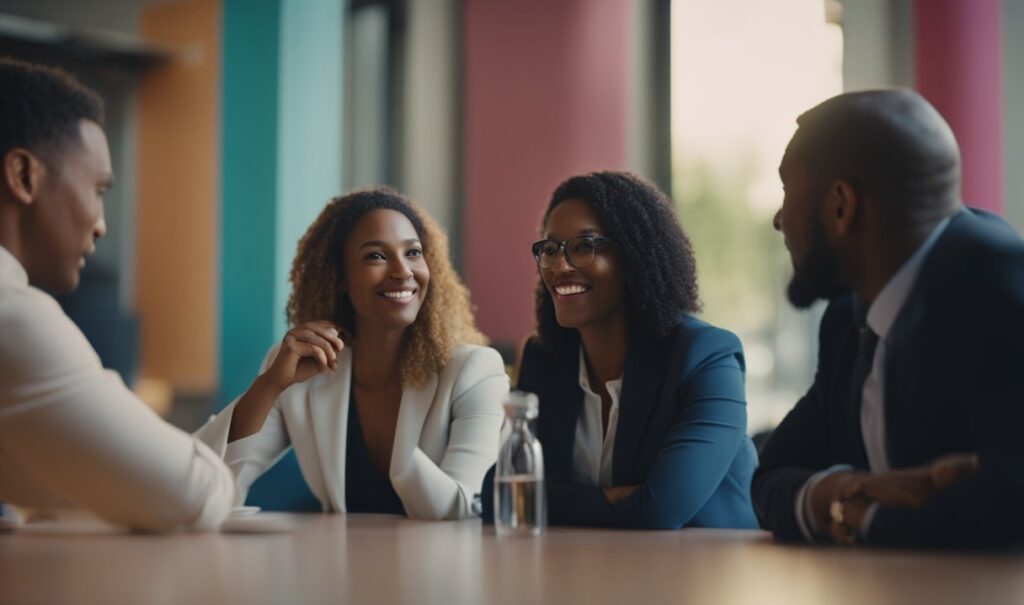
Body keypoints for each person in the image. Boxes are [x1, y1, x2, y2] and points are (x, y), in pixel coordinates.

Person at [753, 89, 1024, 548]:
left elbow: (1011, 503)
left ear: (842, 205)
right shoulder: (848, 318)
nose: (780, 219)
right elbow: (769, 478)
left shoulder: (1000, 291)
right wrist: (839, 495)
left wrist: (866, 518)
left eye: (786, 190)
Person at [0, 58, 234, 530]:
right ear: (24, 176)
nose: (102, 223)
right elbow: (192, 495)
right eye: (98, 188)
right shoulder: (13, 317)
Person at [196, 188, 508, 519]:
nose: (402, 271)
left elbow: (460, 509)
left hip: (441, 568)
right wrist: (269, 384)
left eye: (413, 253)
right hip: (339, 567)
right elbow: (206, 485)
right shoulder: (306, 366)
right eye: (376, 256)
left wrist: (396, 443)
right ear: (340, 277)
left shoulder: (474, 371)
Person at [483, 171, 758, 529]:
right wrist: (620, 499)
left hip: (708, 572)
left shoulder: (706, 356)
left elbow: (660, 511)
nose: (560, 266)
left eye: (584, 246)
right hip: (588, 571)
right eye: (550, 249)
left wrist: (550, 498)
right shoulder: (544, 360)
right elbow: (496, 493)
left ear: (634, 257)